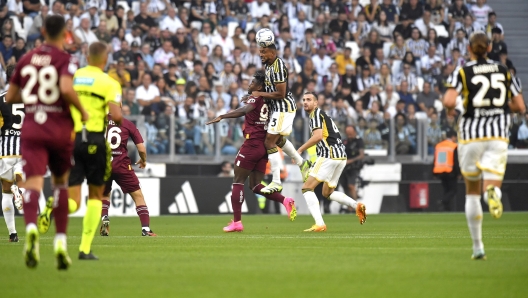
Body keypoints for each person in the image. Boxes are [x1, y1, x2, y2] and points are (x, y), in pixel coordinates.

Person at [6, 15, 89, 270]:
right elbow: (65, 87)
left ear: (42, 31)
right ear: (65, 33)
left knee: (31, 184)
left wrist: (33, 98)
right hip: (59, 129)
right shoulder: (67, 59)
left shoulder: (26, 59)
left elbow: (10, 96)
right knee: (60, 186)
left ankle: (30, 228)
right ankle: (60, 244)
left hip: (31, 130)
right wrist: (82, 110)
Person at [443, 32, 525, 260]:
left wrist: (455, 108)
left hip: (470, 136)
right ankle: (493, 193)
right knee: (491, 182)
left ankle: (478, 247)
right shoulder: (505, 72)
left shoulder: (462, 72)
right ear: (489, 48)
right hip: (498, 134)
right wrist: (498, 105)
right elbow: (520, 106)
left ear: (469, 49)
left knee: (471, 193)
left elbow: (449, 102)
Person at [39, 42, 123, 261]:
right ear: (105, 60)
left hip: (72, 139)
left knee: (73, 200)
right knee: (96, 195)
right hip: (94, 138)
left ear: (86, 57)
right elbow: (118, 116)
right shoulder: (109, 82)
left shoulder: (73, 77)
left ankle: (52, 204)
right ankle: (85, 249)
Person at [206, 71, 296, 232]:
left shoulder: (256, 98)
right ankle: (285, 200)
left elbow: (245, 110)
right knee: (255, 186)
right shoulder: (270, 99)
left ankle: (237, 222)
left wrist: (223, 116)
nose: (249, 85)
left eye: (252, 82)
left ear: (260, 86)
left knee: (238, 180)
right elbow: (250, 106)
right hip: (264, 146)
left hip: (252, 144)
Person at [296, 92, 367, 232]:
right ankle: (356, 205)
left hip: (329, 155)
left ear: (316, 103)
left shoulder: (316, 115)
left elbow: (317, 137)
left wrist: (300, 149)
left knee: (306, 188)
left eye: (309, 100)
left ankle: (320, 223)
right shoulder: (323, 115)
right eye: (303, 100)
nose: (305, 102)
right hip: (341, 156)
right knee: (327, 192)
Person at [251, 41, 310, 195]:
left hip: (284, 107)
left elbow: (280, 94)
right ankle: (302, 163)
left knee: (269, 141)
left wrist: (261, 94)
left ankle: (276, 181)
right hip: (278, 108)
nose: (261, 54)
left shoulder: (278, 67)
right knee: (276, 140)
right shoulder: (269, 66)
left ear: (272, 53)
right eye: (260, 52)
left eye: (264, 52)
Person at [100, 106, 155, 237]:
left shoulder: (99, 121)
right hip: (122, 166)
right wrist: (143, 160)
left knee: (105, 195)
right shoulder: (127, 124)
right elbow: (141, 149)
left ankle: (105, 219)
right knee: (138, 196)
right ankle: (146, 229)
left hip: (103, 165)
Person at [0, 63, 24, 243]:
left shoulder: (1, 98)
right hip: (25, 149)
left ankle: (13, 234)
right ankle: (20, 187)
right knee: (24, 179)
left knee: (6, 193)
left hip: (5, 151)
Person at [433, 129, 460, 211]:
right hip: (450, 171)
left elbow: (435, 159)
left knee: (446, 190)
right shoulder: (454, 146)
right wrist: (459, 173)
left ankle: (447, 208)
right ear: (453, 137)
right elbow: (456, 160)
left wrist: (433, 173)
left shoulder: (439, 145)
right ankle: (443, 201)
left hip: (439, 171)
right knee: (453, 190)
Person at [340, 125, 365, 212]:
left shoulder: (359, 141)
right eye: (348, 134)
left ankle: (355, 206)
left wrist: (351, 161)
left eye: (351, 133)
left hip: (353, 167)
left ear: (355, 132)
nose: (349, 135)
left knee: (351, 186)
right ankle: (349, 207)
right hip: (343, 167)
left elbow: (361, 155)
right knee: (345, 187)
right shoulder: (344, 142)